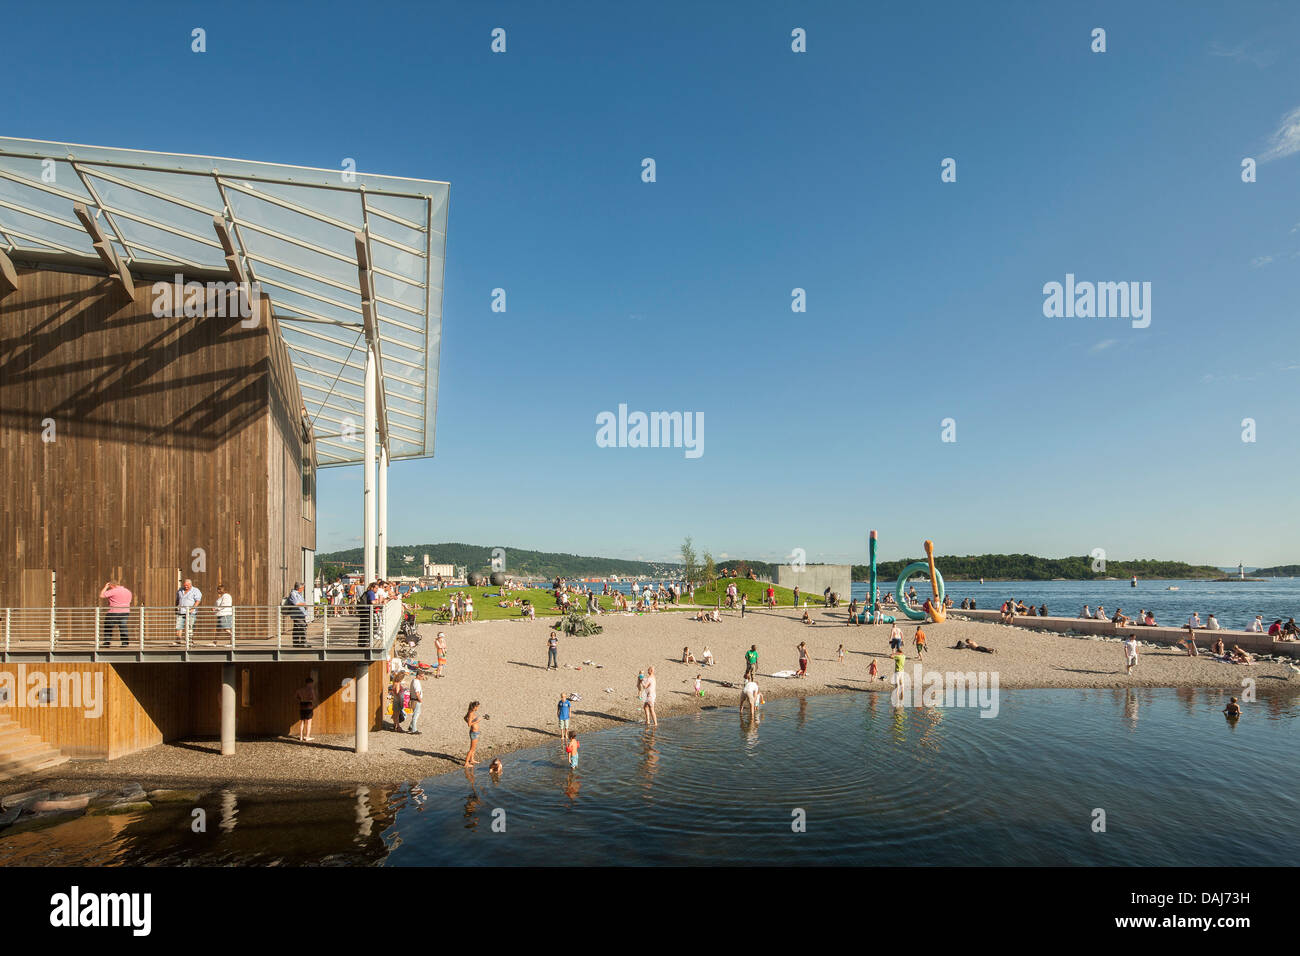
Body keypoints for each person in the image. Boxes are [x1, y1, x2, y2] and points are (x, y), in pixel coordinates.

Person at [99, 580, 132, 647]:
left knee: (108, 626)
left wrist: (106, 587)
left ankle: (107, 642)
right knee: (123, 627)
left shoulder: (114, 591)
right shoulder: (127, 591)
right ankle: (125, 643)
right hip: (125, 612)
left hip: (114, 611)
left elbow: (101, 595)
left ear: (111, 585)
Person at [175, 579, 203, 643]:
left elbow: (198, 600)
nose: (186, 587)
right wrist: (176, 607)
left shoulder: (196, 590)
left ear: (190, 584)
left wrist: (193, 608)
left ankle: (190, 640)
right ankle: (178, 640)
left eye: (187, 585)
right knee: (179, 626)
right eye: (185, 585)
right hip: (181, 611)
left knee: (190, 626)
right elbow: (177, 599)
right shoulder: (180, 590)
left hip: (191, 612)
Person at [294, 676, 318, 741]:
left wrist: (300, 699)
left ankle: (301, 737)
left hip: (302, 705)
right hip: (308, 705)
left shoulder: (300, 690)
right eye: (312, 683)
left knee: (302, 721)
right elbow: (314, 698)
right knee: (309, 722)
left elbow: (295, 697)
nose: (312, 685)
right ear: (310, 683)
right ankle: (307, 737)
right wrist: (309, 698)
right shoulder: (311, 690)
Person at [287, 582, 308, 647]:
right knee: (302, 627)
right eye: (303, 588)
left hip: (301, 614)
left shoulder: (299, 594)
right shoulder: (293, 594)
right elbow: (296, 603)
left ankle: (297, 643)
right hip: (297, 614)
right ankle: (302, 643)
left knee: (297, 628)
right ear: (300, 588)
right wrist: (304, 604)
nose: (303, 589)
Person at [464, 701, 483, 767]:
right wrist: (477, 721)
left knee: (474, 748)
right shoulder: (471, 713)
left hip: (476, 732)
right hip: (474, 733)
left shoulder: (471, 712)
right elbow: (469, 724)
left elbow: (464, 718)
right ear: (474, 707)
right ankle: (466, 763)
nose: (478, 708)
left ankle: (471, 760)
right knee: (472, 749)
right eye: (477, 707)